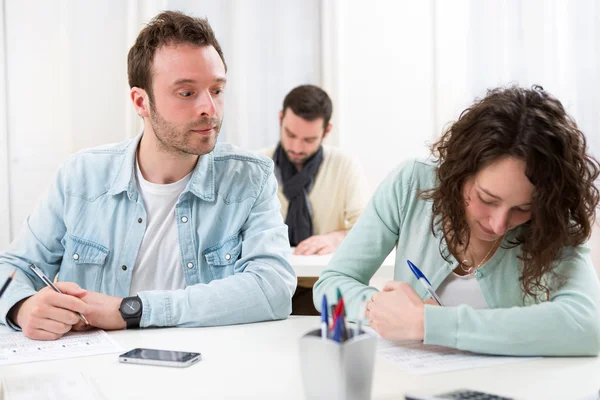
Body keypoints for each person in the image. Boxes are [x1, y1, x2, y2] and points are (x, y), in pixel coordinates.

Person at [0, 11, 296, 340]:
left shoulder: (249, 178)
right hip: (95, 375)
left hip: (207, 373)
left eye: (216, 90)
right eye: (187, 93)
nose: (209, 109)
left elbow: (273, 287)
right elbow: (10, 269)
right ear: (141, 101)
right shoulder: (81, 177)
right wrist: (22, 307)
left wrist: (132, 310)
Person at [314, 85, 600, 356]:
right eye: (487, 199)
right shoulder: (413, 183)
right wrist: (383, 311)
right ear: (459, 172)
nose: (499, 224)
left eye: (523, 208)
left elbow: (587, 325)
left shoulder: (551, 216)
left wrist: (430, 323)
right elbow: (333, 282)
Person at [260, 85, 369, 314]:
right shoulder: (257, 164)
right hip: (268, 285)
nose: (296, 147)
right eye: (290, 134)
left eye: (309, 139)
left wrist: (336, 238)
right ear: (281, 119)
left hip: (324, 286)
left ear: (326, 131)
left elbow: (369, 232)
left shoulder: (345, 166)